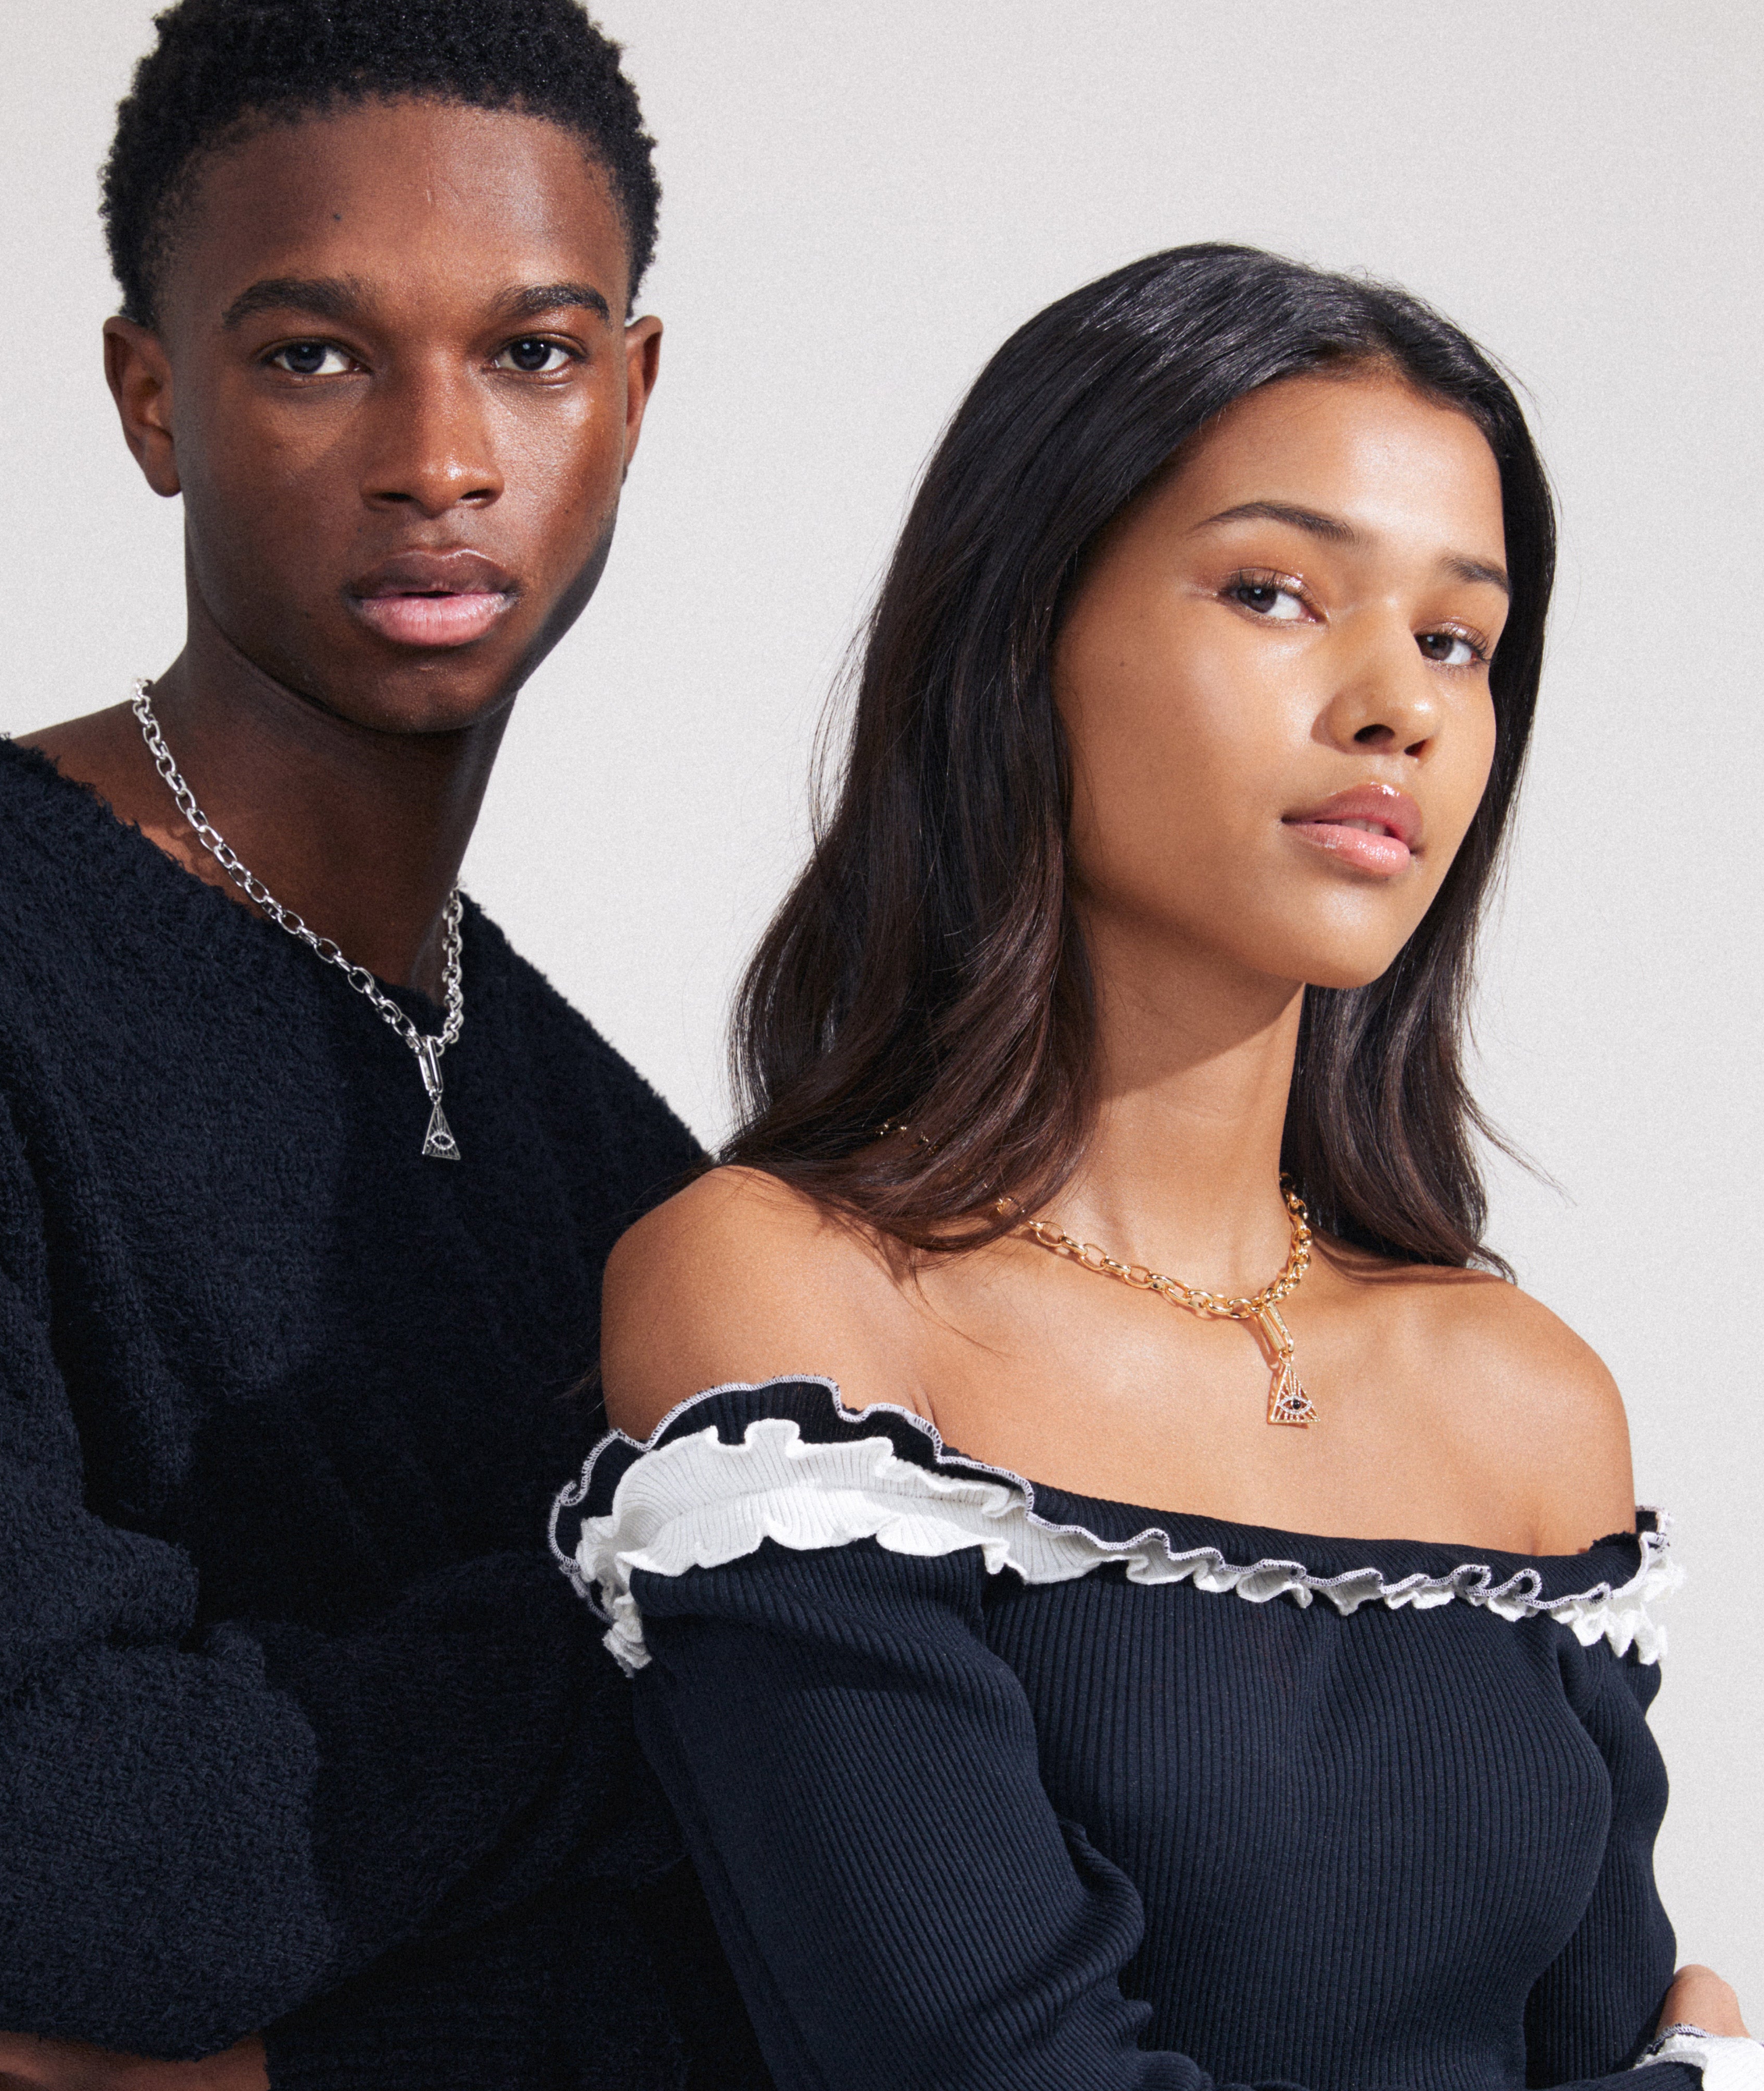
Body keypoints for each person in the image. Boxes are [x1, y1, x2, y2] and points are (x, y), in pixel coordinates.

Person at [0, 3, 765, 2087]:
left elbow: (786, 1977)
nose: (438, 458)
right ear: (153, 396)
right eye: (315, 355)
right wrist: (683, 1645)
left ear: (630, 398)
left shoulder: (635, 1176)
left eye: (532, 353)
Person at [558, 245, 1759, 2091]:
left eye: (1458, 638)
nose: (1401, 704)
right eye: (1276, 592)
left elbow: (1594, 2035)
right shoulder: (795, 1309)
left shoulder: (1529, 1402)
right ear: (1019, 637)